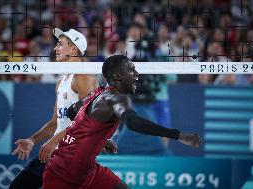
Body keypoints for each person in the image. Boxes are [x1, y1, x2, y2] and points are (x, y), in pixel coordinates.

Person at [41, 55, 202, 189]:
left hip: (84, 168)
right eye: (131, 70)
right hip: (65, 173)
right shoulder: (117, 98)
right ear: (117, 76)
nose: (137, 74)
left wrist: (99, 138)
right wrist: (178, 135)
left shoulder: (97, 92)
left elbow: (72, 111)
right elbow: (133, 123)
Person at [10, 28, 116, 189]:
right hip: (56, 153)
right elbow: (55, 122)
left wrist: (53, 141)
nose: (55, 48)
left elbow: (86, 123)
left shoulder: (84, 77)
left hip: (71, 156)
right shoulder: (62, 81)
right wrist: (32, 140)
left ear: (73, 49)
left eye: (60, 44)